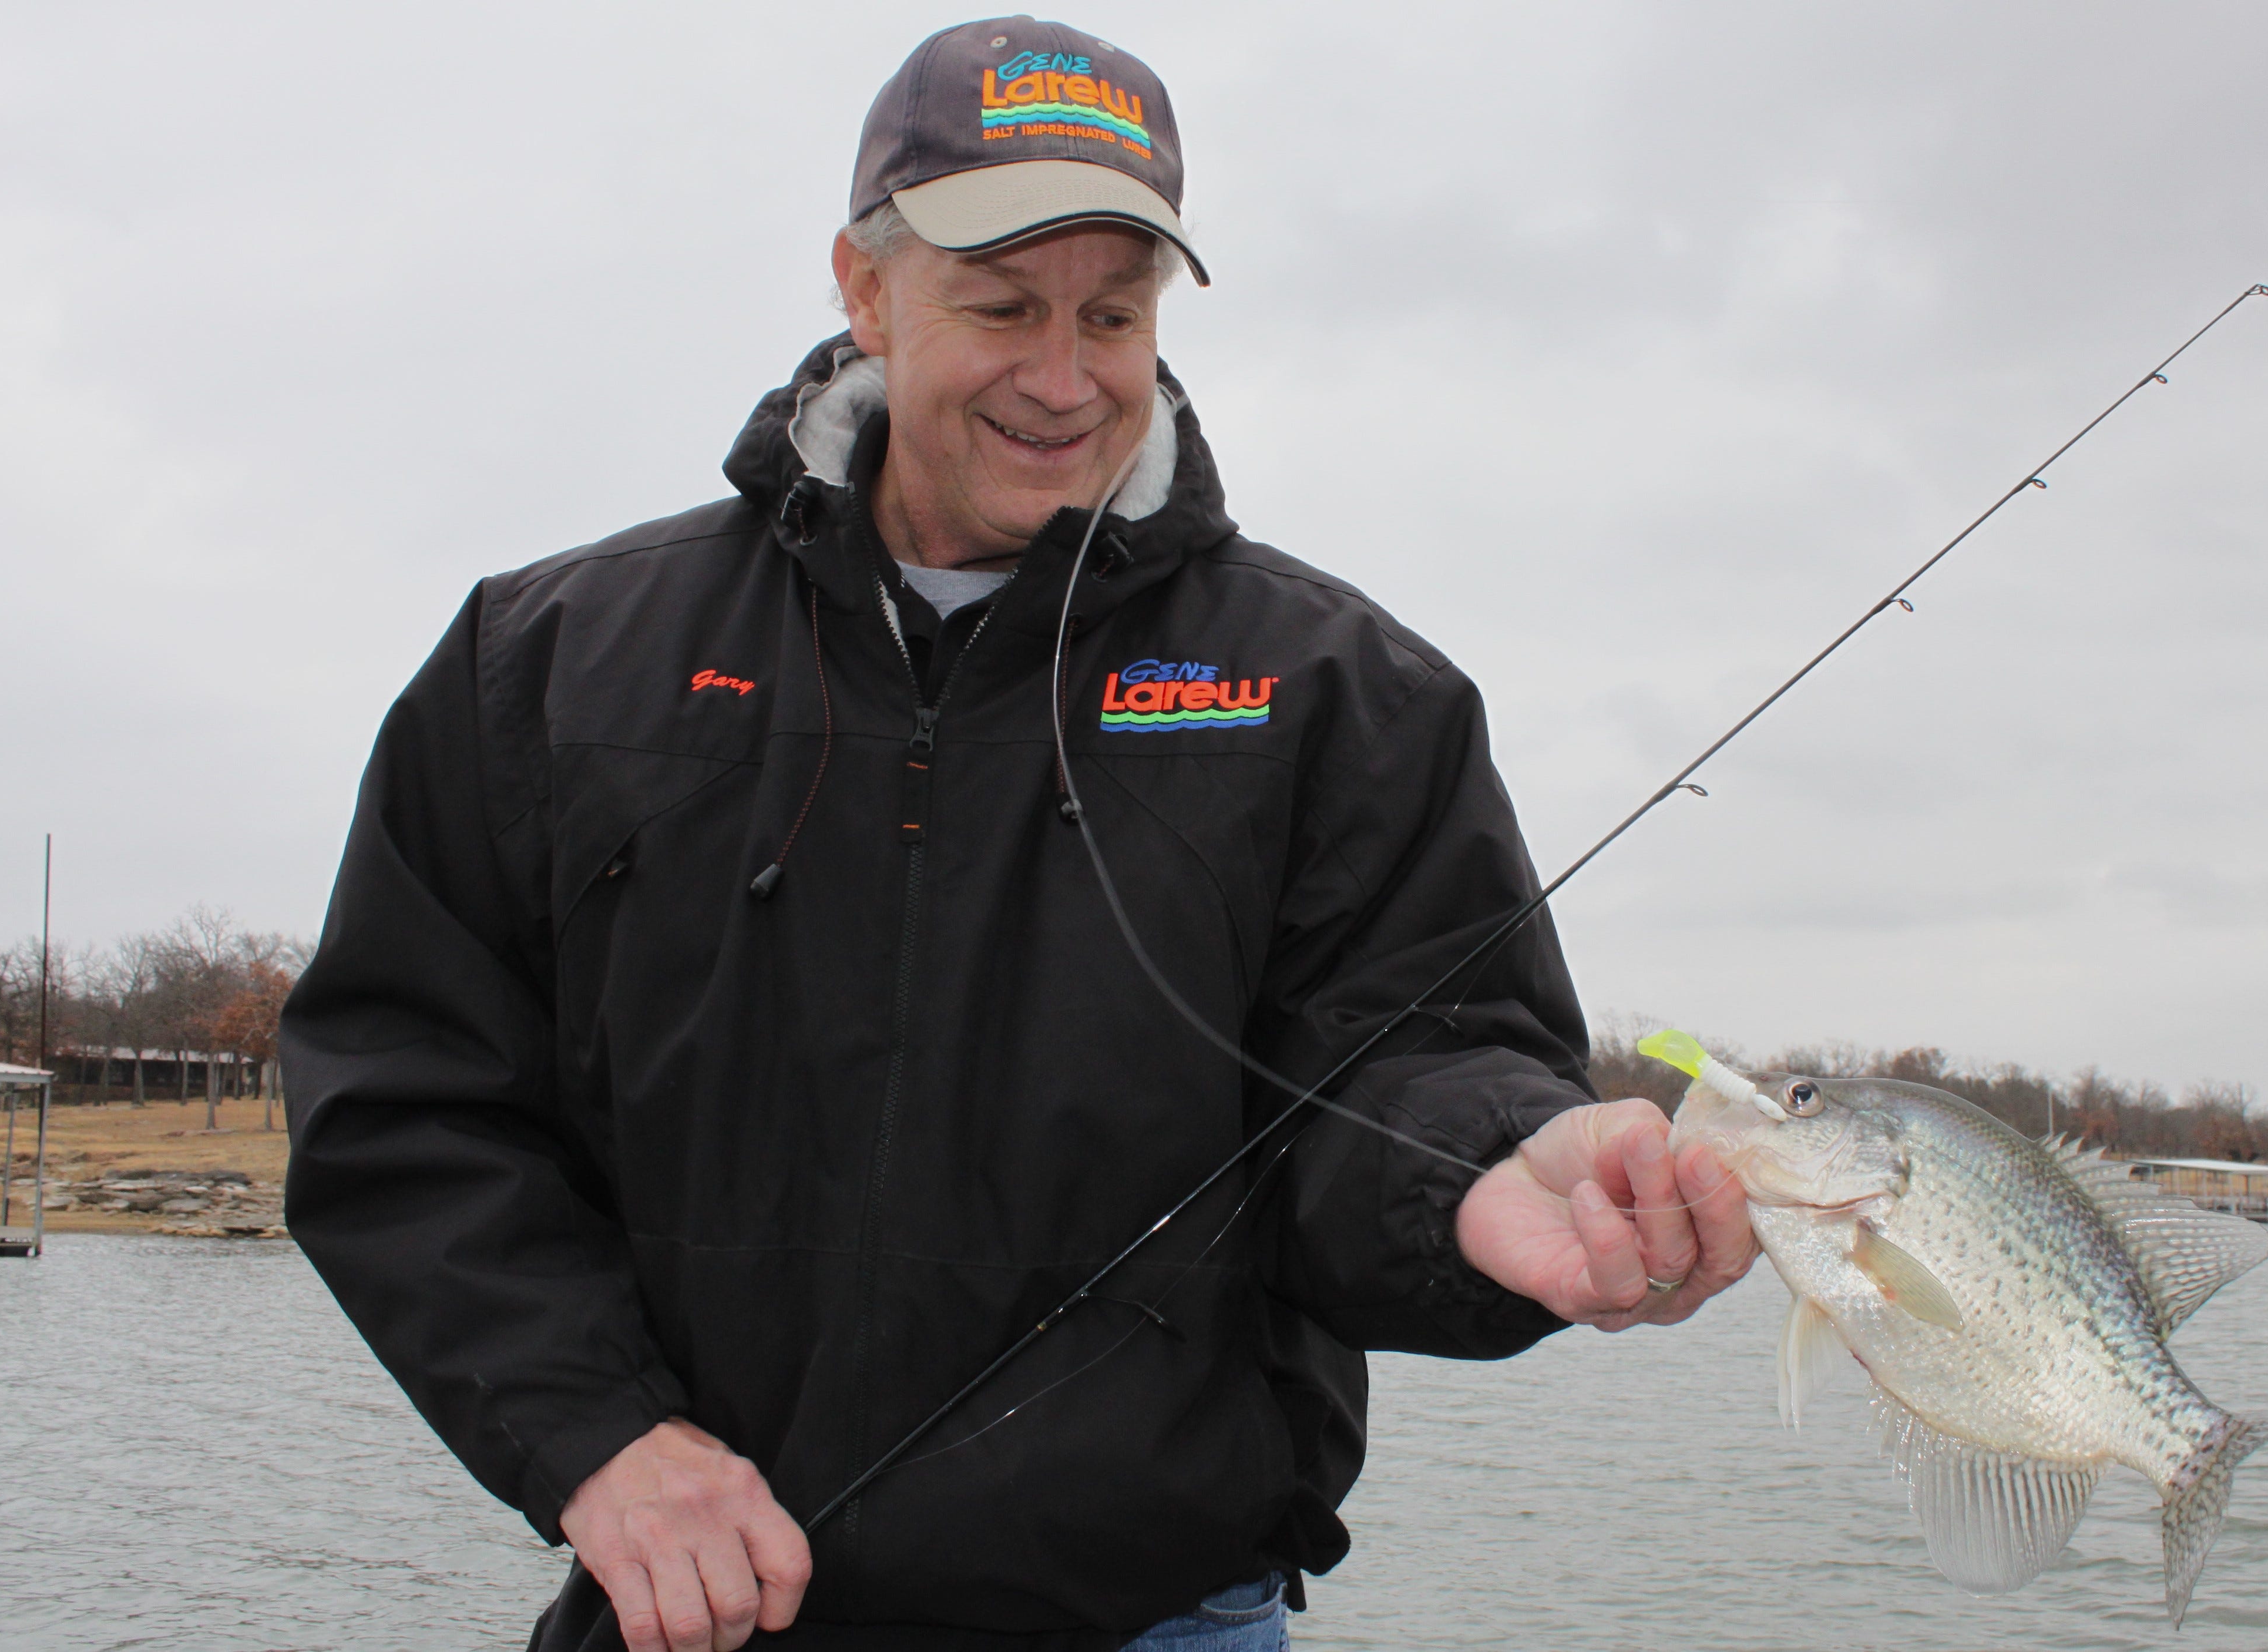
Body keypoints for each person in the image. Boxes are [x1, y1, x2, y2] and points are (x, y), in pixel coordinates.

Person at [280, 18, 1755, 1652]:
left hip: (1158, 1619)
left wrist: (1487, 1166)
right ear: (864, 289)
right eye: (1001, 307)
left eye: (1112, 315)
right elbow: (405, 1101)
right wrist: (601, 1436)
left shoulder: (1348, 694)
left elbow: (1404, 1074)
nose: (1066, 380)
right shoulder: (554, 660)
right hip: (685, 1613)